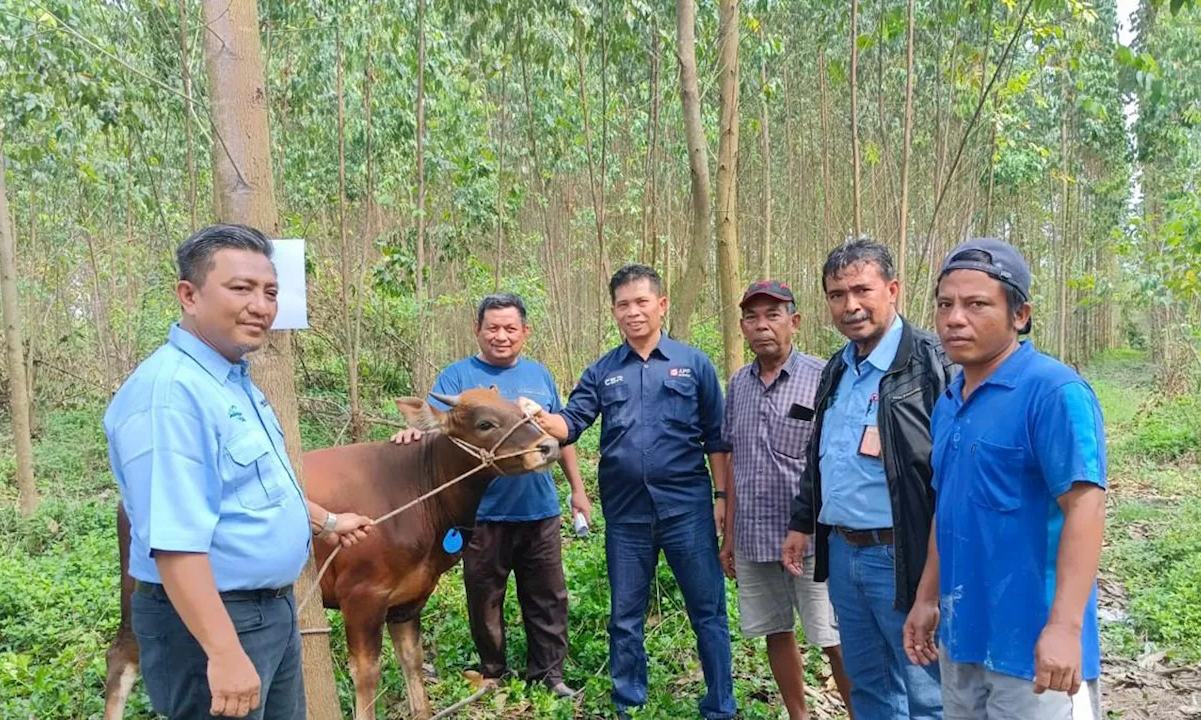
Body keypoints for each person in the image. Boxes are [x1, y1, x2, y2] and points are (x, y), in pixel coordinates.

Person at [103, 224, 373, 719]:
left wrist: (328, 522)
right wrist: (224, 654)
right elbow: (174, 543)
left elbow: (252, 486)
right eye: (241, 288)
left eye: (270, 291)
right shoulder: (171, 396)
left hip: (269, 612)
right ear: (188, 294)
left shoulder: (231, 380)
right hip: (212, 625)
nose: (261, 305)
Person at [903, 238, 1107, 720]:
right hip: (964, 635)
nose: (955, 319)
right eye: (945, 305)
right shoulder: (951, 401)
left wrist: (1063, 628)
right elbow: (947, 507)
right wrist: (927, 597)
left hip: (1034, 651)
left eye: (977, 305)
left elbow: (1086, 507)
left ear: (1020, 315)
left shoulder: (1053, 391)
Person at [523, 264, 736, 720]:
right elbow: (570, 422)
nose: (633, 312)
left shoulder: (693, 363)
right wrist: (538, 417)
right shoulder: (602, 371)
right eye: (623, 304)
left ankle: (720, 706)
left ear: (661, 305)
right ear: (614, 312)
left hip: (688, 512)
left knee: (709, 613)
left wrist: (723, 500)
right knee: (624, 619)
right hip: (627, 518)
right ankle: (629, 705)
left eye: (642, 302)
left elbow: (717, 439)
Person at [781, 239, 952, 720]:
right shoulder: (837, 367)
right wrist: (802, 522)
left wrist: (935, 581)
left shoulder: (932, 365)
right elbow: (823, 455)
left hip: (905, 556)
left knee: (927, 691)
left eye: (862, 290)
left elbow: (950, 477)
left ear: (892, 289)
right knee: (869, 688)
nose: (850, 306)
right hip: (844, 554)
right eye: (837, 294)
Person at [392, 293, 589, 697]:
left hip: (538, 508)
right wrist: (412, 432)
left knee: (548, 594)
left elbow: (560, 435)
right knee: (484, 594)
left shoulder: (540, 375)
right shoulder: (456, 378)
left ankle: (549, 675)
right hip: (479, 513)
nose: (501, 336)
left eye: (510, 328)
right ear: (477, 330)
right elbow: (433, 427)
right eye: (492, 328)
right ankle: (493, 671)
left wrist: (578, 490)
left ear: (525, 331)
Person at [719, 281, 855, 720]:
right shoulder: (738, 385)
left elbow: (836, 459)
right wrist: (729, 537)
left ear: (793, 322)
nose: (763, 327)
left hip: (812, 536)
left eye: (773, 316)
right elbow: (736, 460)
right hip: (755, 534)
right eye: (753, 318)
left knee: (831, 635)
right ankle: (799, 715)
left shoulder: (823, 376)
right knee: (775, 630)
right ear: (742, 327)